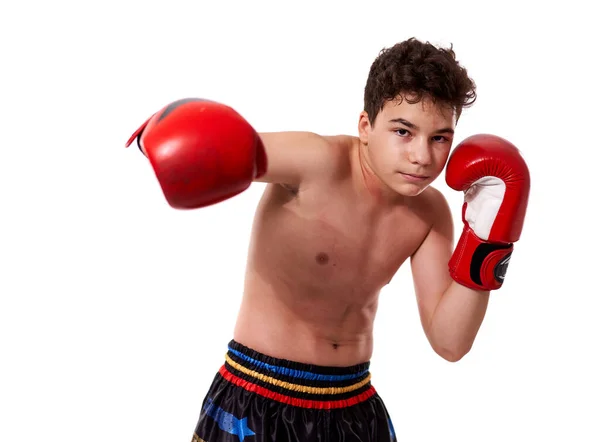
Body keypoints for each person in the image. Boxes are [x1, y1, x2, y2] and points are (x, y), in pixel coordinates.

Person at [125, 37, 530, 442]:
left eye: (439, 137)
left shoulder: (429, 213)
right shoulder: (314, 162)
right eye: (403, 132)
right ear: (366, 127)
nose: (423, 156)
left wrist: (488, 239)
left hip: (355, 408)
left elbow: (450, 341)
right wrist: (163, 135)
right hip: (258, 395)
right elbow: (233, 145)